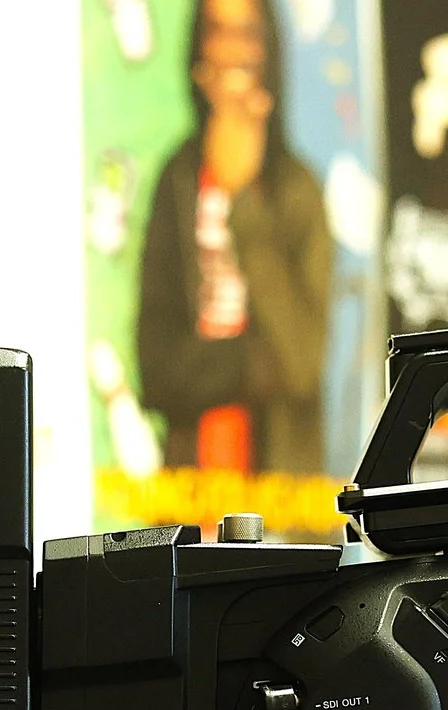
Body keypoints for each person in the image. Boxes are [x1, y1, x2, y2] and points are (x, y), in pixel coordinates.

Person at [135, 0, 333, 477]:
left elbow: (302, 361)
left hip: (278, 494)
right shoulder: (177, 181)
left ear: (268, 50)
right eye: (217, 30)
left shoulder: (297, 189)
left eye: (247, 32)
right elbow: (155, 370)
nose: (231, 50)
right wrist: (256, 363)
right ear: (198, 53)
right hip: (190, 489)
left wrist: (242, 198)